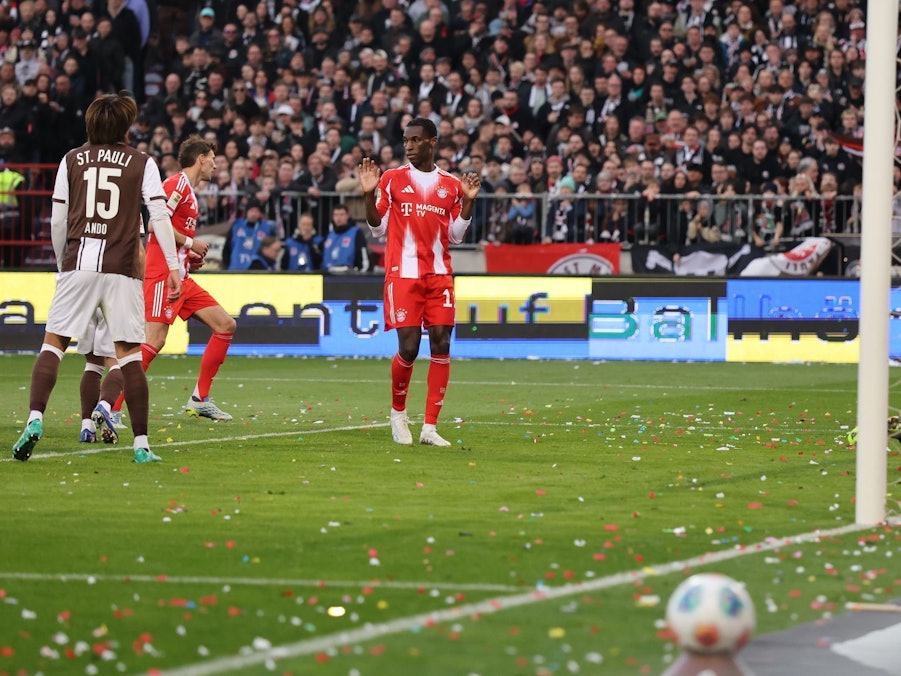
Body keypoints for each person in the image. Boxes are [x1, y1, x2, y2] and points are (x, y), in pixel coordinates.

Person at [12, 92, 182, 463]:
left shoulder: (71, 159)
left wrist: (63, 263)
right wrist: (173, 265)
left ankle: (35, 418)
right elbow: (159, 216)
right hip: (123, 267)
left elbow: (58, 220)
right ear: (125, 126)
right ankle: (141, 445)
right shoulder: (142, 161)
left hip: (79, 262)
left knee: (53, 345)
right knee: (129, 357)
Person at [358, 117, 481, 447]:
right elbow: (377, 228)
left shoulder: (451, 185)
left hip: (439, 275)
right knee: (409, 347)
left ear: (432, 142)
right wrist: (368, 194)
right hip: (404, 275)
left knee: (441, 343)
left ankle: (430, 427)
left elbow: (456, 235)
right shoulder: (392, 179)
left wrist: (469, 201)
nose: (409, 146)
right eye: (406, 140)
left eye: (415, 140)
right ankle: (398, 413)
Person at [115, 135, 235, 422]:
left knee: (225, 325)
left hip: (182, 277)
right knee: (153, 341)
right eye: (212, 160)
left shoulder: (189, 192)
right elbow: (154, 224)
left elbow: (170, 233)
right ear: (201, 159)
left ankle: (200, 398)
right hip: (162, 277)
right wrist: (191, 243)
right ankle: (111, 408)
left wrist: (188, 254)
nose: (215, 166)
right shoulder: (175, 185)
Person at [77, 310, 126, 443]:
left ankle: (87, 428)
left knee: (93, 364)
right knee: (122, 363)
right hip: (112, 303)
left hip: (86, 304)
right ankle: (104, 407)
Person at [223, 197, 276, 270]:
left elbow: (271, 251)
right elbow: (227, 247)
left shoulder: (266, 228)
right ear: (247, 212)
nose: (254, 214)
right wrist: (226, 266)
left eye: (256, 211)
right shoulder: (237, 225)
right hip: (235, 269)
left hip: (256, 270)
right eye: (251, 211)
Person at [322, 203, 371, 272]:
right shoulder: (330, 235)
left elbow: (363, 255)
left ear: (347, 216)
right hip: (329, 274)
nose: (338, 218)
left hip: (349, 275)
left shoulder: (356, 232)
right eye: (336, 215)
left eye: (341, 215)